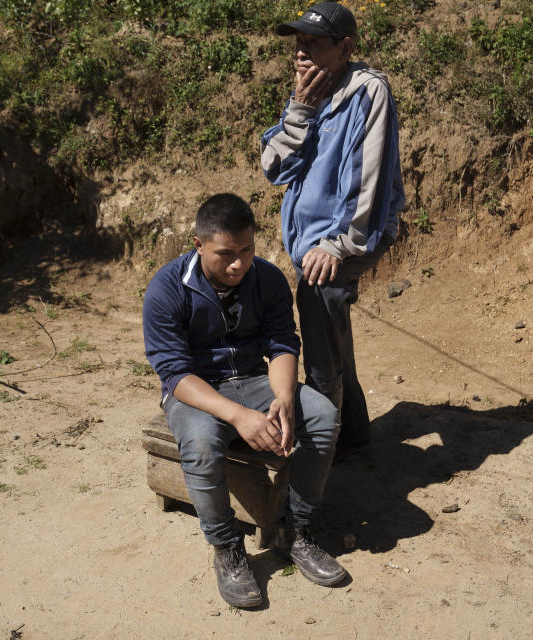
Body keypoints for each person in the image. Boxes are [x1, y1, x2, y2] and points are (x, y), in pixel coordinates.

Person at [143, 193, 346, 608]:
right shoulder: (166, 289)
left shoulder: (267, 278)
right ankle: (227, 548)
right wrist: (240, 417)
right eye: (226, 254)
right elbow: (176, 374)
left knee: (323, 416)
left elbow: (282, 343)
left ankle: (296, 531)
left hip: (256, 377)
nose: (238, 264)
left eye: (247, 250)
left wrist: (285, 398)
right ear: (198, 245)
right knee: (200, 445)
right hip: (198, 389)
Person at [261, 2, 406, 448]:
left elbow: (368, 177)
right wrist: (300, 110)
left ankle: (324, 443)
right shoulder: (308, 93)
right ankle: (353, 432)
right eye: (298, 42)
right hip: (312, 241)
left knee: (320, 306)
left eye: (313, 43)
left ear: (344, 48)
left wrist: (338, 244)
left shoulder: (368, 91)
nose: (301, 53)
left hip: (349, 234)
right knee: (330, 328)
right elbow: (273, 167)